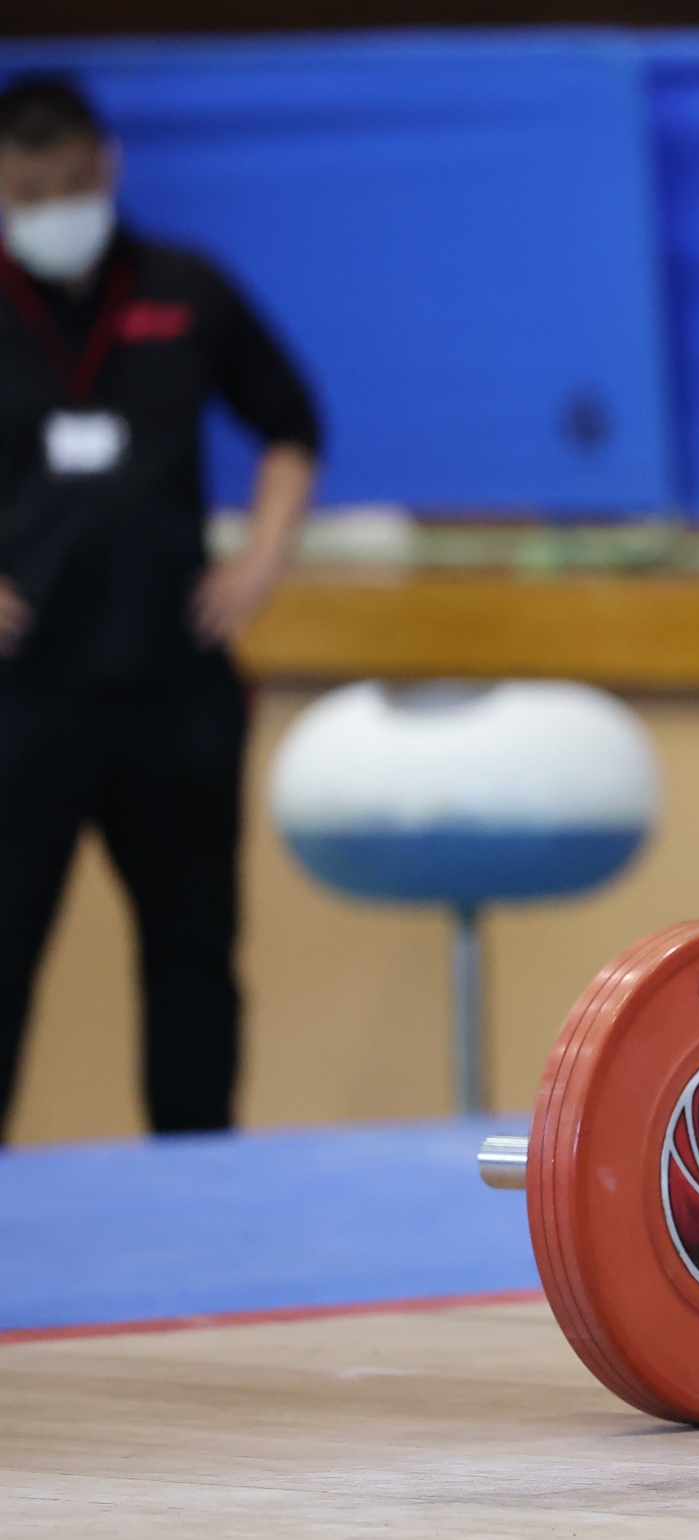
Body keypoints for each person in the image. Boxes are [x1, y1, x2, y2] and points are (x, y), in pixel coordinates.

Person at [0, 74, 319, 1138]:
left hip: (171, 686)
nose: (56, 210)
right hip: (25, 695)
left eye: (72, 185)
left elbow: (292, 424)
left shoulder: (187, 288)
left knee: (193, 962)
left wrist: (262, 559)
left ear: (110, 168)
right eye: (29, 193)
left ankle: (200, 1184)